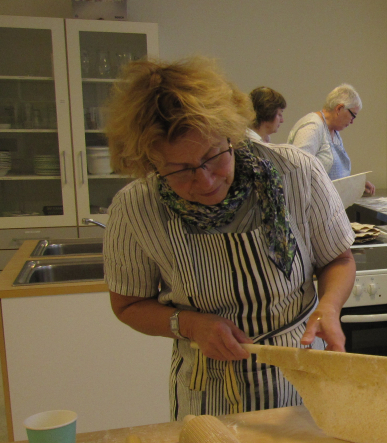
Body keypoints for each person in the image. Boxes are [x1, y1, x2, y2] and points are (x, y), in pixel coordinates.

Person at [103, 57, 356, 419]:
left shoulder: (295, 173)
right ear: (150, 163)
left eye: (213, 157)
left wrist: (328, 307)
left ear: (232, 135)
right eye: (179, 170)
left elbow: (339, 259)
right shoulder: (136, 209)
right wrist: (190, 325)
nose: (204, 180)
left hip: (302, 379)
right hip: (207, 391)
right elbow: (127, 305)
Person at [287, 84, 375, 195]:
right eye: (353, 115)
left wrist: (356, 187)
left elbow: (336, 178)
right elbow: (297, 173)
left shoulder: (334, 132)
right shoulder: (312, 127)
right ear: (339, 108)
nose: (352, 121)